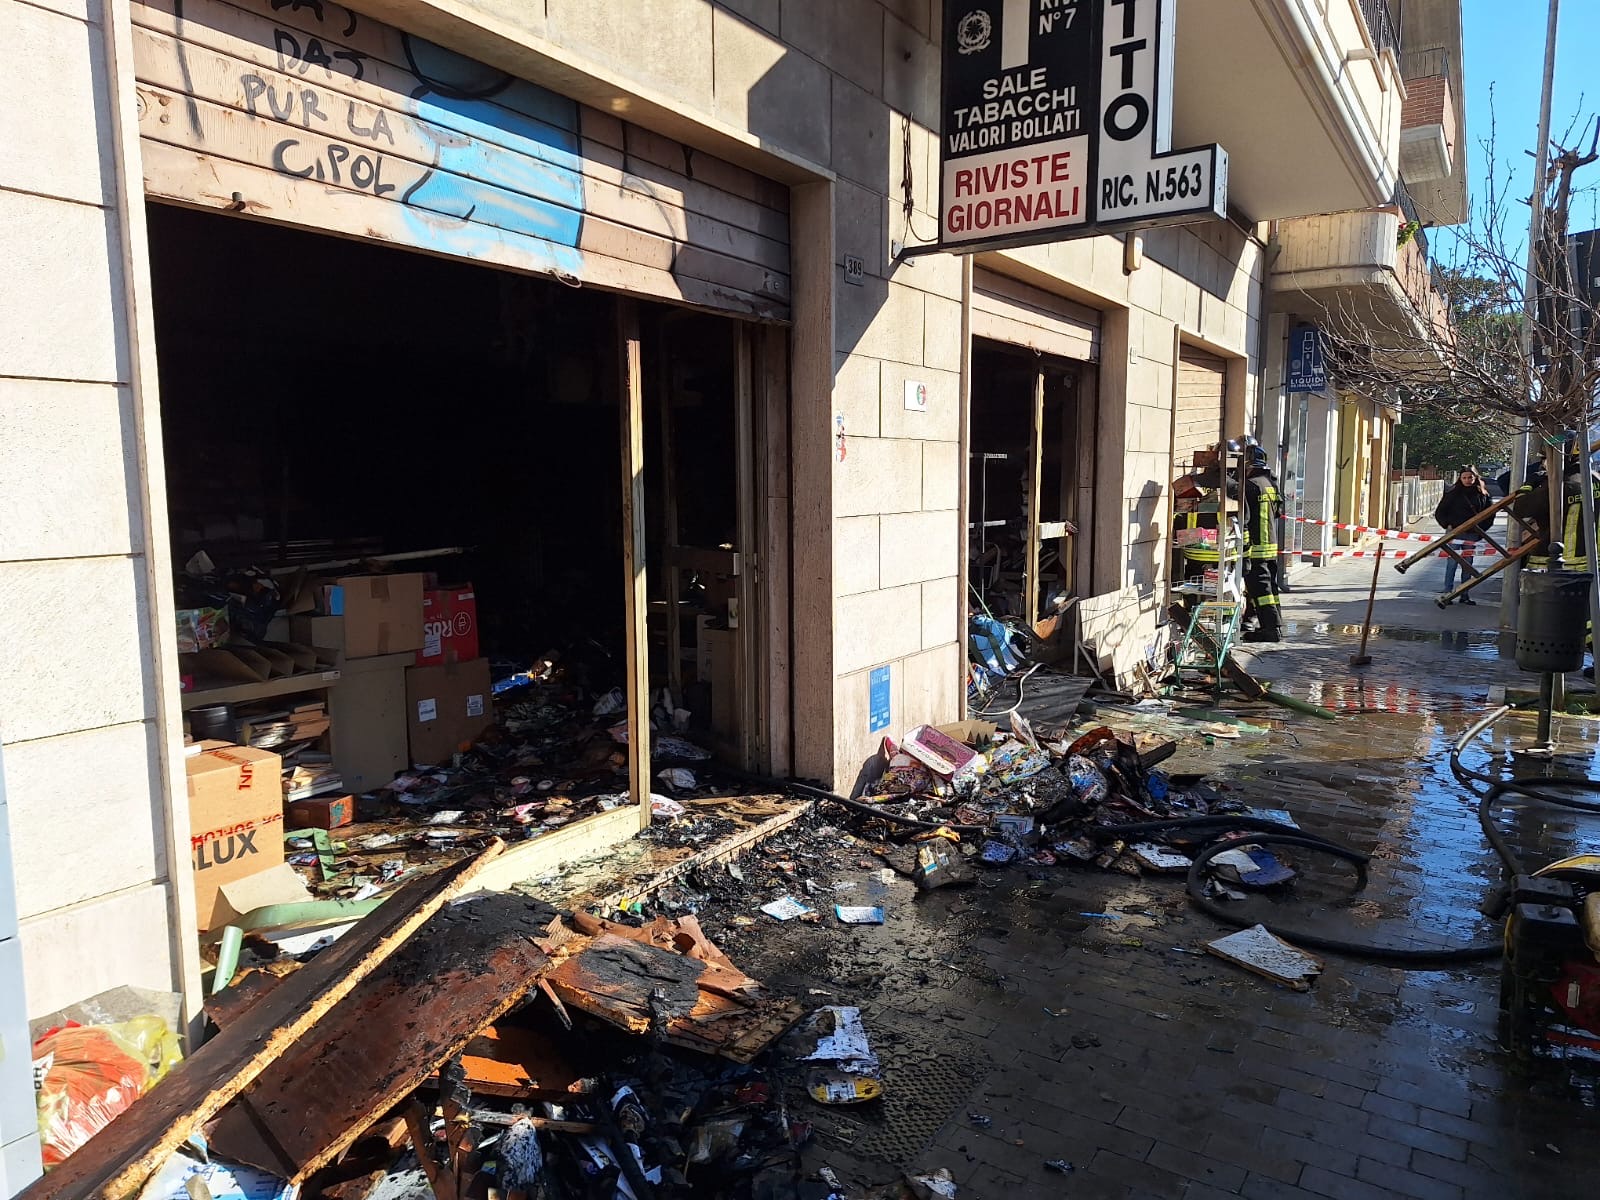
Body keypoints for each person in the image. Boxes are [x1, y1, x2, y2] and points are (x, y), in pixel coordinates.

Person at [1433, 467, 1492, 604]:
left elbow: (1490, 514)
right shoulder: (1453, 493)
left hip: (1472, 534)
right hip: (1454, 533)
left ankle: (1464, 594)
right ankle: (1447, 593)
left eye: (1470, 477)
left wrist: (1481, 530)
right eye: (1464, 477)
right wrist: (1447, 525)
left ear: (1475, 478)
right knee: (1452, 563)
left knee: (1468, 564)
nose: (1467, 480)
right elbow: (1440, 512)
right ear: (1460, 478)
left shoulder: (1482, 494)